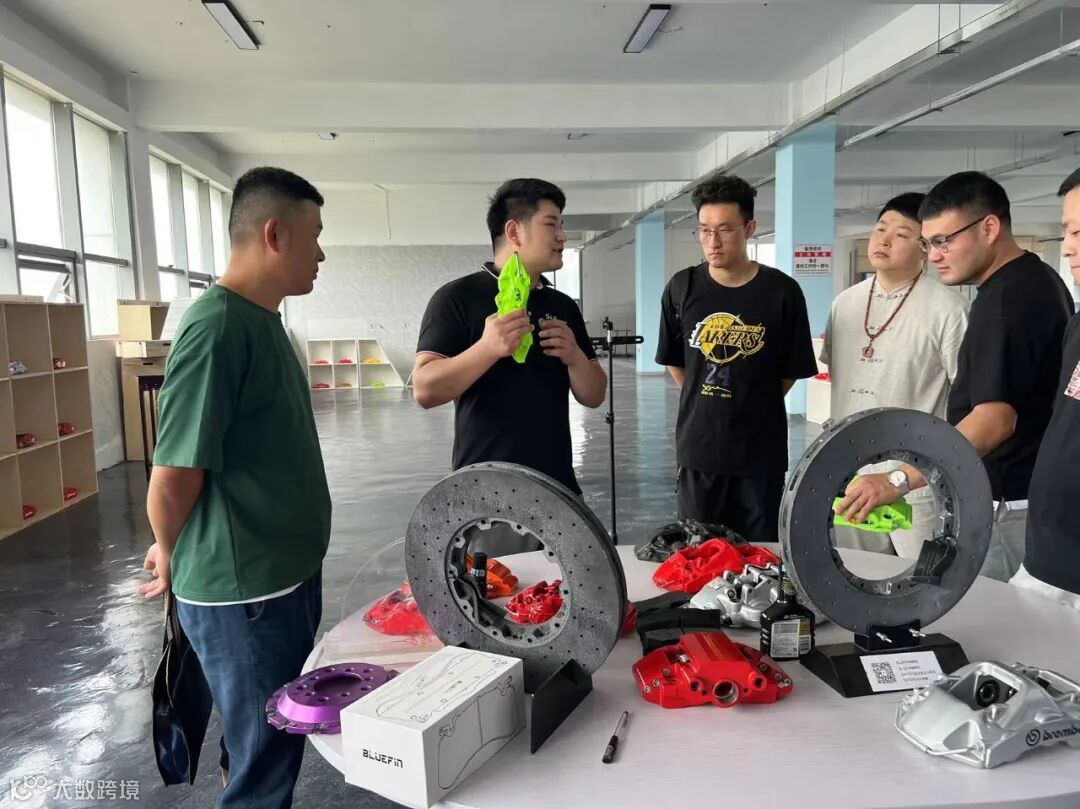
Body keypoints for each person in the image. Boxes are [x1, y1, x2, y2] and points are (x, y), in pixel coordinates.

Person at [137, 167, 330, 808]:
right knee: (263, 765)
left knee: (259, 740)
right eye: (314, 236)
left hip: (280, 576)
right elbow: (173, 474)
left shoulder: (262, 320)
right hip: (248, 593)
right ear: (274, 234)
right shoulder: (217, 328)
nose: (321, 253)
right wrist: (171, 548)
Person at [837, 171, 1074, 581]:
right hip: (1022, 495)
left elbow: (994, 420)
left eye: (944, 241)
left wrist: (898, 479)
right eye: (928, 244)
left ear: (989, 228)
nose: (935, 255)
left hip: (1006, 503)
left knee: (987, 613)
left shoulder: (1004, 305)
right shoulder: (1036, 279)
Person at [413, 178, 606, 517]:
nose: (562, 236)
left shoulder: (562, 305)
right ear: (515, 231)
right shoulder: (456, 298)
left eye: (562, 225)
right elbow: (425, 390)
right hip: (484, 494)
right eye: (551, 224)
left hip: (557, 488)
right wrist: (488, 348)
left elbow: (594, 395)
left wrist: (575, 356)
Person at [657, 175, 818, 542]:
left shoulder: (782, 292)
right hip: (699, 450)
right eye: (704, 230)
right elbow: (675, 361)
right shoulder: (682, 288)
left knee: (761, 552)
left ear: (750, 229)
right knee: (700, 552)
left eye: (725, 229)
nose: (713, 242)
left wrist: (750, 398)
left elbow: (790, 370)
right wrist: (706, 398)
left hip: (760, 454)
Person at [823, 193, 969, 558]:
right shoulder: (844, 304)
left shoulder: (948, 309)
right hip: (850, 476)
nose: (884, 240)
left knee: (923, 582)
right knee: (851, 573)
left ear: (925, 249)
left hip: (915, 481)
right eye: (880, 229)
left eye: (901, 234)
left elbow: (966, 399)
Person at [1011, 167, 1080, 607]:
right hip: (1047, 561)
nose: (1068, 247)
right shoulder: (1079, 327)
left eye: (1079, 232)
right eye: (1067, 231)